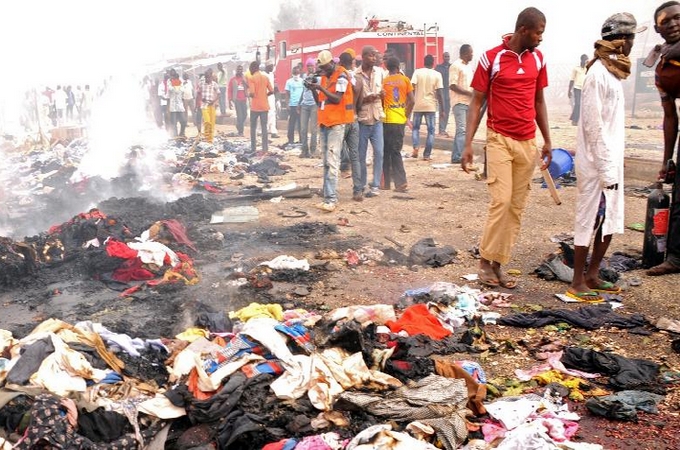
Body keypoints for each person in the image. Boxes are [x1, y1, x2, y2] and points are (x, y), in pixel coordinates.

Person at [461, 7, 552, 289]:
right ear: (523, 29)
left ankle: (498, 264)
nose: (541, 38)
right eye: (538, 32)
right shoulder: (492, 58)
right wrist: (468, 144)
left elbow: (539, 102)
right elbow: (477, 102)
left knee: (516, 207)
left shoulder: (539, 58)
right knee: (500, 201)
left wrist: (547, 140)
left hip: (528, 143)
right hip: (499, 138)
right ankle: (484, 263)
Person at [568, 13, 642, 300]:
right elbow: (592, 125)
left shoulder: (613, 72)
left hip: (609, 159)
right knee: (588, 218)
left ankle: (593, 274)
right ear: (621, 41)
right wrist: (606, 166)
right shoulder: (597, 74)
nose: (634, 44)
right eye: (632, 38)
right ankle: (576, 282)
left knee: (609, 218)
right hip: (597, 162)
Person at [645, 1, 680, 276]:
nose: (673, 24)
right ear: (658, 30)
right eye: (665, 21)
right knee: (678, 197)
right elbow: (670, 116)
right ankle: (676, 258)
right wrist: (667, 158)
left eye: (677, 18)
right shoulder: (664, 69)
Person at [306, 50, 354, 212]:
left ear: (332, 63)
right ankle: (327, 196)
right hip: (325, 122)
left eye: (325, 67)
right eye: (322, 68)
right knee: (326, 161)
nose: (324, 70)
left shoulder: (341, 76)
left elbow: (337, 98)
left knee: (333, 161)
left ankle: (331, 199)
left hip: (337, 123)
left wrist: (319, 86)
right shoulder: (325, 77)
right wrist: (313, 89)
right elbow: (320, 101)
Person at [354, 45, 385, 198]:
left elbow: (384, 93)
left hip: (378, 118)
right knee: (361, 155)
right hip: (362, 120)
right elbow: (354, 101)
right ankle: (362, 185)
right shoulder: (355, 75)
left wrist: (382, 96)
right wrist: (366, 99)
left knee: (379, 153)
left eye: (375, 56)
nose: (374, 58)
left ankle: (376, 185)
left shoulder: (380, 73)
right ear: (364, 56)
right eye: (372, 55)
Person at [382, 56, 414, 192]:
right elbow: (412, 101)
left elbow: (382, 101)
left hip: (387, 120)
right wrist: (405, 115)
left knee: (386, 152)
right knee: (396, 151)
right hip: (400, 121)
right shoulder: (405, 80)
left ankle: (387, 183)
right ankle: (400, 182)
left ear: (387, 68)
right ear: (398, 67)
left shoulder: (384, 82)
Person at [338, 50, 363, 202]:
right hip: (354, 118)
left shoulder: (339, 77)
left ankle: (332, 191)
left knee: (337, 151)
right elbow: (360, 102)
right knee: (356, 156)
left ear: (340, 63)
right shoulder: (358, 80)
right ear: (352, 62)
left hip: (341, 120)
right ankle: (358, 191)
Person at [410, 55, 444, 161]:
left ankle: (416, 147)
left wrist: (410, 102)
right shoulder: (437, 74)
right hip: (430, 106)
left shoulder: (417, 72)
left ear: (423, 62)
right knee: (431, 131)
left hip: (417, 105)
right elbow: (440, 93)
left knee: (415, 128)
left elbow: (412, 87)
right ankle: (426, 155)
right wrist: (442, 109)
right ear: (433, 63)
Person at [449, 44, 474, 164]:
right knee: (462, 129)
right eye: (471, 53)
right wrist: (469, 93)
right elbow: (452, 85)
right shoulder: (456, 66)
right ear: (465, 53)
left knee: (462, 130)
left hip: (468, 103)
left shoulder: (469, 67)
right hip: (459, 102)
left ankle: (456, 156)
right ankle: (458, 155)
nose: (472, 55)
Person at [247, 60, 274, 153]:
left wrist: (248, 94)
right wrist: (265, 95)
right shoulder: (265, 77)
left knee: (253, 128)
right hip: (264, 106)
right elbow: (272, 91)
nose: (250, 70)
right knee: (264, 128)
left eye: (250, 68)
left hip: (255, 107)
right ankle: (265, 148)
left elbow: (252, 93)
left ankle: (253, 148)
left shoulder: (252, 78)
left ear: (254, 68)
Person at [300, 58, 319, 158]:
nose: (310, 67)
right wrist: (300, 103)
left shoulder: (317, 77)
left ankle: (313, 150)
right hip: (304, 104)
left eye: (311, 65)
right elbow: (303, 91)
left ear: (314, 66)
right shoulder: (304, 76)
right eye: (308, 66)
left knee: (313, 129)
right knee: (303, 129)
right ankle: (304, 150)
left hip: (314, 104)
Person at [198, 68, 219, 142]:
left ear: (211, 77)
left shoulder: (214, 84)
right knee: (207, 122)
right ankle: (207, 138)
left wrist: (214, 101)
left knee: (212, 123)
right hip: (204, 105)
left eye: (208, 77)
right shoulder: (201, 83)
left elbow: (218, 94)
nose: (207, 78)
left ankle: (210, 140)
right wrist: (200, 99)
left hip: (211, 105)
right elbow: (198, 93)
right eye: (206, 77)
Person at [284, 66, 304, 146]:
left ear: (300, 73)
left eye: (297, 73)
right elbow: (287, 94)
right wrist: (287, 104)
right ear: (292, 73)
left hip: (301, 105)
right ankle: (290, 140)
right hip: (292, 105)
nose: (296, 75)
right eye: (294, 73)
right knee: (292, 123)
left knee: (301, 124)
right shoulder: (289, 82)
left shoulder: (303, 81)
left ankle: (301, 140)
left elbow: (304, 93)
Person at [228, 64, 249, 136]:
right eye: (238, 70)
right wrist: (230, 100)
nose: (239, 71)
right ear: (236, 71)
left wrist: (245, 82)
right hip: (237, 100)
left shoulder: (245, 78)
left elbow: (249, 87)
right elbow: (229, 90)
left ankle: (238, 125)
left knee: (245, 115)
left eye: (241, 70)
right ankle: (241, 132)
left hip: (244, 99)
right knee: (239, 115)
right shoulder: (233, 80)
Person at [568, 54, 589, 125]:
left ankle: (581, 120)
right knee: (577, 104)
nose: (586, 61)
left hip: (586, 88)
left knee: (585, 104)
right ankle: (575, 120)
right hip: (577, 88)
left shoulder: (588, 68)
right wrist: (569, 90)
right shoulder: (576, 68)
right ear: (582, 60)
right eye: (585, 60)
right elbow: (572, 79)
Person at [435, 51, 452, 137]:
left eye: (448, 56)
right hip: (441, 92)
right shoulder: (438, 68)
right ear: (443, 57)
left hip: (449, 93)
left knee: (447, 112)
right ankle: (441, 130)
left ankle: (443, 129)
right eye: (445, 56)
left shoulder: (452, 67)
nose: (447, 58)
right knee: (442, 111)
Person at [167, 69, 186, 137]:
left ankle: (181, 134)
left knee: (183, 121)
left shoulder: (179, 82)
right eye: (171, 75)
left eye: (173, 76)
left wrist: (175, 83)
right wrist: (175, 84)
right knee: (174, 123)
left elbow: (182, 91)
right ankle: (175, 136)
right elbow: (171, 89)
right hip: (173, 106)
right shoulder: (169, 82)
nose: (172, 77)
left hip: (180, 105)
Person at [264, 61, 279, 138]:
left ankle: (273, 131)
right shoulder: (263, 75)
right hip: (264, 96)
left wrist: (277, 98)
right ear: (267, 66)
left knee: (273, 112)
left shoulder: (272, 74)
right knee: (265, 113)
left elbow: (275, 86)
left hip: (271, 96)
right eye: (271, 66)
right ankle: (264, 129)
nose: (272, 68)